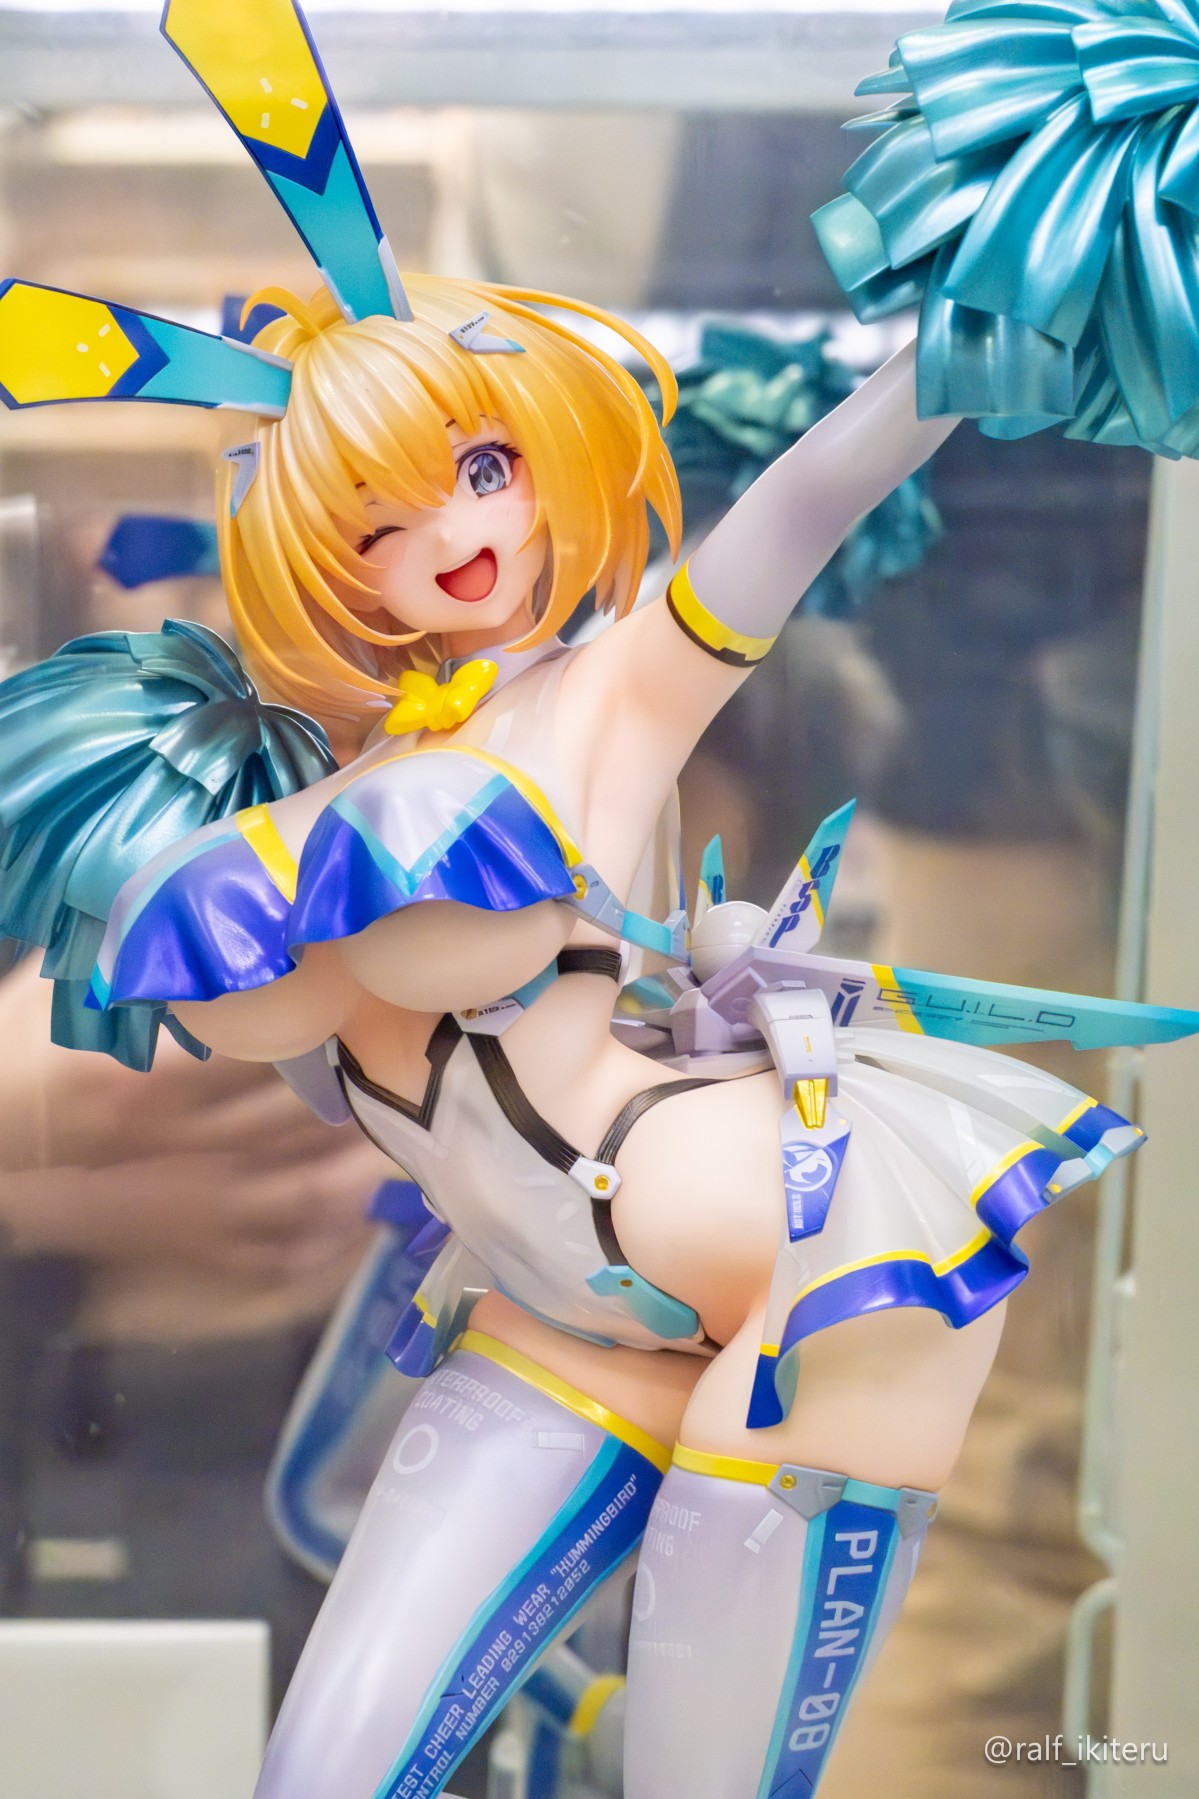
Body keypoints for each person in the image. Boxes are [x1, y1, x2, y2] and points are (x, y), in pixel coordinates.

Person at [1, 4, 1195, 1796]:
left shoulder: (609, 695)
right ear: (319, 560)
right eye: (381, 521)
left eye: (481, 469)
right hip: (550, 1309)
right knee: (323, 1770)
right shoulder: (285, 790)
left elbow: (798, 511)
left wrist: (968, 326)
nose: (459, 533)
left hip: (807, 1279)